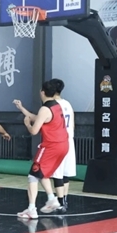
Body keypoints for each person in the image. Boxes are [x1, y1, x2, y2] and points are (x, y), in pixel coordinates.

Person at [14, 81, 69, 219]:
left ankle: (32, 209)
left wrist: (27, 124)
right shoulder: (56, 105)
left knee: (33, 175)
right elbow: (40, 118)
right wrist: (22, 108)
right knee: (42, 174)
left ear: (42, 92)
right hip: (63, 145)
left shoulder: (45, 109)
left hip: (51, 146)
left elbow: (34, 130)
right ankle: (51, 199)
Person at [47, 78, 75, 213]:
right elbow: (73, 124)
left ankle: (60, 201)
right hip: (69, 140)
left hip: (59, 141)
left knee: (57, 173)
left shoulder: (53, 105)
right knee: (65, 173)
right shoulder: (67, 103)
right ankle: (65, 199)